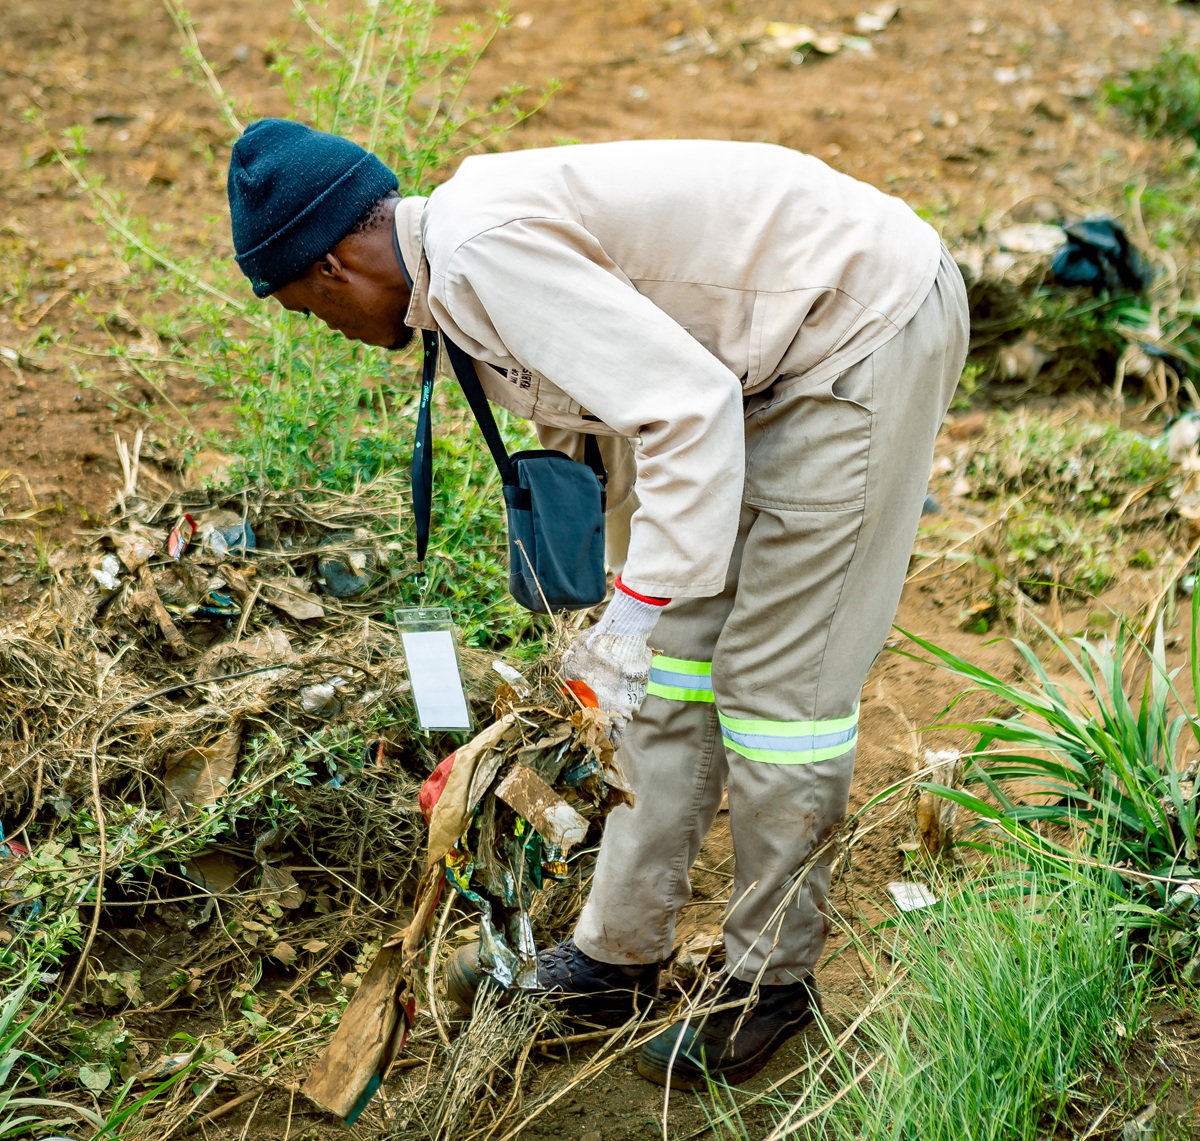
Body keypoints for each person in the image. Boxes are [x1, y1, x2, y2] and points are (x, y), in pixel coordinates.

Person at [226, 119, 969, 1089]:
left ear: (331, 267)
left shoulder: (485, 255)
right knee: (665, 675)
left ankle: (769, 982)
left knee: (780, 689)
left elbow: (684, 408)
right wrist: (604, 650)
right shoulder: (451, 289)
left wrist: (633, 612)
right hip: (742, 369)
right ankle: (619, 954)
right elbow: (617, 427)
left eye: (307, 310)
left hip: (854, 333)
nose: (327, 331)